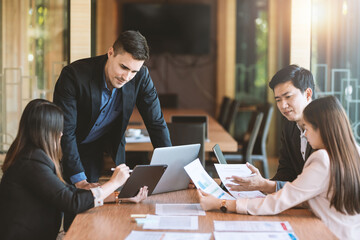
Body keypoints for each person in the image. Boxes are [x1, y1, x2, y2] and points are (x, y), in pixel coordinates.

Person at [199, 96, 360, 239]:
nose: (304, 134)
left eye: (307, 128)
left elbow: (280, 201)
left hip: (326, 233)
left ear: (322, 129)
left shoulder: (323, 160)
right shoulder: (355, 151)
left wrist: (221, 203)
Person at [0, 99, 148, 240]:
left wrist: (119, 197)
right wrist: (114, 182)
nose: (61, 134)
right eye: (58, 129)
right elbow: (72, 202)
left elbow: (68, 192)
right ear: (46, 132)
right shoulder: (32, 163)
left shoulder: (32, 157)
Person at [53, 30, 171, 189]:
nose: (127, 77)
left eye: (133, 71)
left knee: (105, 203)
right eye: (123, 67)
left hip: (104, 146)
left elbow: (156, 123)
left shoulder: (141, 76)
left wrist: (170, 169)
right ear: (111, 53)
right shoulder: (74, 76)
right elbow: (66, 131)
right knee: (73, 200)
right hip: (69, 146)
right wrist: (80, 181)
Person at [227, 65, 315, 194]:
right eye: (278, 100)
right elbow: (285, 173)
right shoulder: (290, 127)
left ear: (307, 94)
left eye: (288, 96)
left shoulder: (325, 129)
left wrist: (264, 185)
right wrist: (259, 185)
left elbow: (313, 187)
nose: (283, 105)